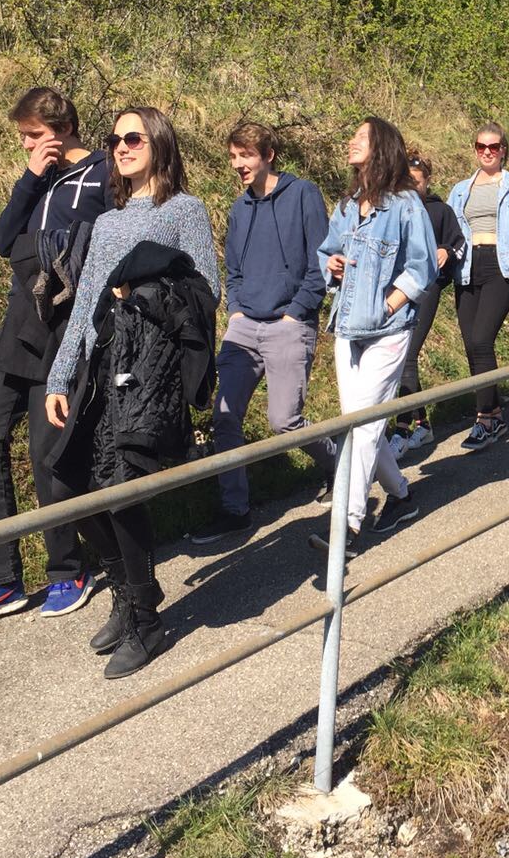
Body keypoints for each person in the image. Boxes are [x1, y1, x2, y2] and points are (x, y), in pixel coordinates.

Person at [44, 107, 220, 678]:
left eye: (133, 138)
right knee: (68, 483)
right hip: (99, 367)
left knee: (121, 489)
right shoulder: (107, 220)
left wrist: (141, 292)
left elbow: (207, 291)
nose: (120, 147)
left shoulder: (185, 210)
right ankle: (126, 588)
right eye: (115, 139)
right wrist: (60, 375)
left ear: (159, 144)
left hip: (149, 368)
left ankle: (146, 619)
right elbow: (84, 303)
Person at [0, 86, 112, 630]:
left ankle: (68, 569)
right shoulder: (38, 178)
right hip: (19, 325)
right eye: (23, 137)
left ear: (62, 130)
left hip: (65, 329)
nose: (26, 144)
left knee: (46, 451)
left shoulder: (104, 174)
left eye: (33, 135)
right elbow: (3, 239)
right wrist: (31, 176)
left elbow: (112, 245)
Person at [190, 122, 334, 544]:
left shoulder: (303, 194)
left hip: (289, 323)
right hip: (245, 327)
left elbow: (321, 261)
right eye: (234, 157)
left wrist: (296, 313)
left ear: (268, 155)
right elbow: (233, 270)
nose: (238, 164)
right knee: (225, 417)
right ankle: (235, 510)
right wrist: (235, 312)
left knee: (284, 422)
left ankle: (339, 465)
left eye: (246, 155)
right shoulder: (240, 209)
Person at [310, 118, 437, 557]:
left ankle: (346, 524)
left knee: (361, 429)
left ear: (381, 147)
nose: (351, 142)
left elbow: (423, 266)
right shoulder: (348, 205)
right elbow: (326, 252)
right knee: (361, 425)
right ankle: (401, 495)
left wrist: (389, 305)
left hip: (388, 331)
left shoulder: (405, 205)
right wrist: (332, 266)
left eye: (361, 137)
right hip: (347, 328)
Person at [446, 123, 509, 450]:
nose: (487, 152)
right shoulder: (461, 189)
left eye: (493, 146)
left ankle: (484, 420)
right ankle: (496, 414)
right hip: (466, 267)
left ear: (503, 150)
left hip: (500, 265)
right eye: (481, 146)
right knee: (471, 344)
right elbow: (450, 227)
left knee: (481, 339)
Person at [388, 149, 464, 459]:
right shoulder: (394, 209)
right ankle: (422, 424)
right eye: (406, 181)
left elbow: (459, 243)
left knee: (407, 354)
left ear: (427, 181)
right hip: (397, 288)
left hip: (427, 287)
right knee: (401, 356)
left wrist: (446, 250)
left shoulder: (440, 210)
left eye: (417, 181)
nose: (412, 186)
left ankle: (403, 429)